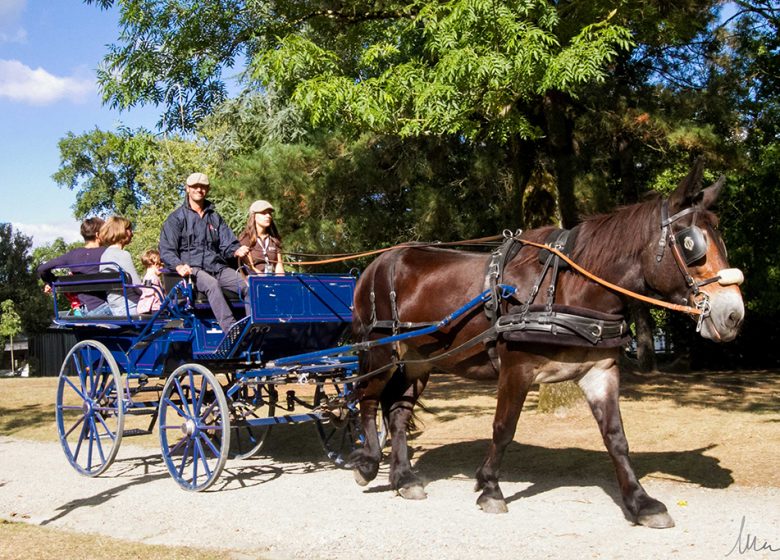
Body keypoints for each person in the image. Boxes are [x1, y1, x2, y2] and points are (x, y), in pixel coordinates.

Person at [159, 172, 250, 334]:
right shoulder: (176, 218)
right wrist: (178, 265)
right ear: (187, 189)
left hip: (218, 268)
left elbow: (227, 243)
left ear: (207, 189)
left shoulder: (215, 217)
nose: (199, 190)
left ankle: (251, 328)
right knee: (212, 285)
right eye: (195, 186)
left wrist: (236, 250)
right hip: (193, 270)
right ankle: (232, 331)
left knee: (248, 287)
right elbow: (167, 250)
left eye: (202, 187)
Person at [37, 217, 111, 316]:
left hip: (83, 311)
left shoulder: (73, 254)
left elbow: (42, 269)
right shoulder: (107, 252)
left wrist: (52, 282)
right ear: (98, 234)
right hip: (105, 308)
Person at [99, 216, 143, 316]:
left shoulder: (104, 255)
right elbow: (138, 287)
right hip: (131, 307)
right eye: (129, 229)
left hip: (115, 308)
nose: (132, 233)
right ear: (121, 231)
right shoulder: (123, 255)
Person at [238, 200, 285, 275]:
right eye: (263, 213)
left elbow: (279, 265)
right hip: (253, 280)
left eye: (269, 213)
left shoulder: (274, 239)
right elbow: (250, 268)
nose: (268, 216)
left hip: (272, 280)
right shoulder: (245, 239)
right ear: (254, 216)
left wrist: (280, 281)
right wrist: (264, 280)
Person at [137, 248, 163, 314]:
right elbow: (148, 294)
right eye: (159, 265)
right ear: (155, 263)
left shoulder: (148, 277)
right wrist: (144, 309)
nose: (161, 268)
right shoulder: (151, 278)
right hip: (155, 308)